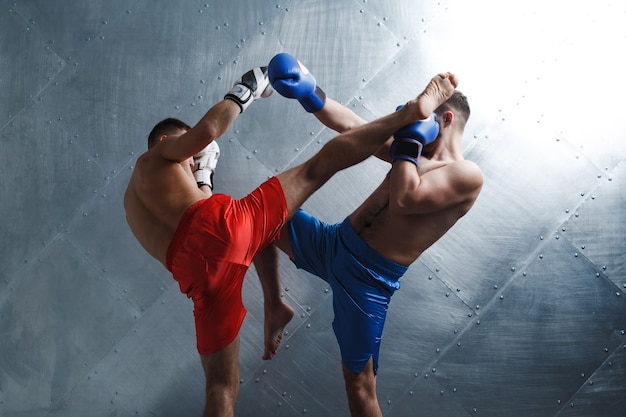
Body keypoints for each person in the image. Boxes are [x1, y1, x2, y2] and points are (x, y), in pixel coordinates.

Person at [123, 57, 459, 417]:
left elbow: (197, 242)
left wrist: (204, 176)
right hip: (225, 230)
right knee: (317, 168)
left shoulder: (132, 202)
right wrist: (245, 90)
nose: (191, 162)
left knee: (221, 388)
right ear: (163, 140)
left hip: (197, 276)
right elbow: (206, 133)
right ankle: (411, 110)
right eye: (189, 158)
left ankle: (274, 304)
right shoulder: (158, 153)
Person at [265, 53, 483, 417]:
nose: (415, 120)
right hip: (333, 243)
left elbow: (404, 200)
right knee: (261, 215)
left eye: (424, 113)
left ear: (444, 119)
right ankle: (275, 305)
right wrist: (307, 91)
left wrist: (409, 138)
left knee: (360, 386)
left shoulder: (466, 174)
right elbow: (352, 127)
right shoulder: (410, 151)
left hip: (368, 281)